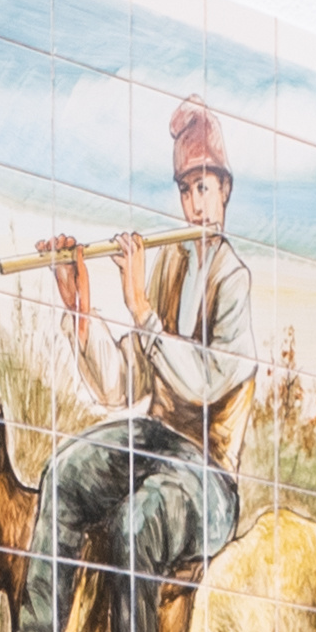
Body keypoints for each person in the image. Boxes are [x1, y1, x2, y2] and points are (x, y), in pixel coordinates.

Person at [118, 99, 257, 424]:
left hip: (206, 449)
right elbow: (133, 378)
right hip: (159, 437)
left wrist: (141, 310)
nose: (195, 206)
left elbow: (206, 384)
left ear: (225, 189)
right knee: (81, 454)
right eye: (185, 190)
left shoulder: (233, 277)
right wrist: (80, 316)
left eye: (203, 187)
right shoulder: (171, 260)